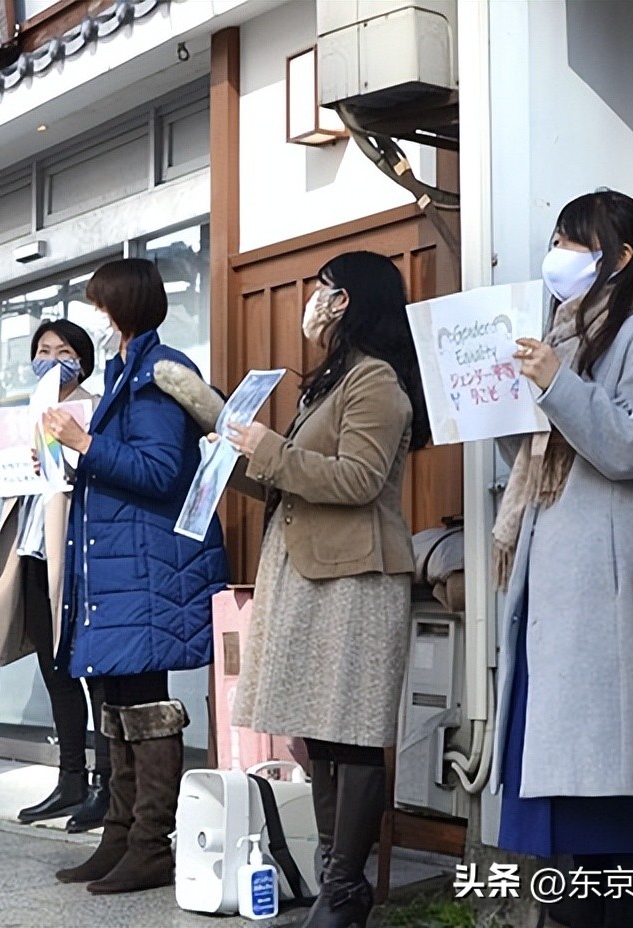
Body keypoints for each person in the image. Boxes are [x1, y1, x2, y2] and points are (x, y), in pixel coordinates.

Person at [159, 250, 429, 927]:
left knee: (353, 734)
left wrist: (270, 447)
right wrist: (231, 453)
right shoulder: (333, 381)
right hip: (309, 572)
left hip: (355, 578)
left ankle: (342, 888)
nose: (312, 298)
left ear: (348, 302)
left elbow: (358, 479)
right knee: (320, 734)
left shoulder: (377, 381)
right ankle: (340, 880)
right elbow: (291, 477)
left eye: (323, 288)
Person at [492, 191, 633, 928]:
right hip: (563, 593)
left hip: (604, 599)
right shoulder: (564, 337)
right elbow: (543, 453)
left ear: (622, 256)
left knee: (614, 819)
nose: (561, 255)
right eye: (559, 240)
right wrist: (502, 407)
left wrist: (553, 385)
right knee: (570, 828)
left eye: (577, 242)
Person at [48, 258, 228, 894]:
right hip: (122, 570)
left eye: (97, 306)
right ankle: (121, 834)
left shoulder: (159, 374)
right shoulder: (128, 371)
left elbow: (159, 472)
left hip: (150, 570)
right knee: (119, 706)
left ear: (121, 308)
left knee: (146, 706)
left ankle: (151, 842)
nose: (92, 317)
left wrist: (83, 442)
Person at [0, 319, 112, 831]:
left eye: (64, 350)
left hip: (77, 556)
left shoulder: (95, 408)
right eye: (43, 349)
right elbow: (15, 481)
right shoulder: (23, 409)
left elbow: (102, 473)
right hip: (30, 552)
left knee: (91, 671)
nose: (51, 358)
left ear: (82, 359)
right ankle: (70, 777)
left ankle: (107, 782)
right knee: (54, 670)